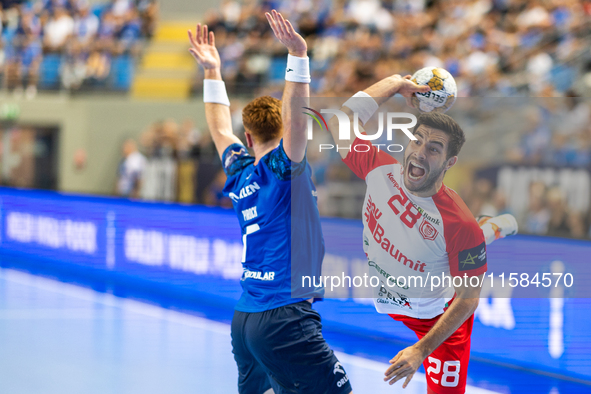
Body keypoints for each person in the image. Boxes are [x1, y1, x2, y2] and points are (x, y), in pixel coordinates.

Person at [188, 10, 353, 394]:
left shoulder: (240, 172)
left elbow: (217, 127)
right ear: (280, 131)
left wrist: (213, 71)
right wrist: (298, 56)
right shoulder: (283, 170)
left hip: (245, 318)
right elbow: (298, 124)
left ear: (248, 137)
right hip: (284, 315)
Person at [324, 80, 517, 393]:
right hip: (392, 298)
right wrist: (396, 83)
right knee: (454, 243)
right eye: (417, 141)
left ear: (449, 162)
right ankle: (488, 229)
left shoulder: (458, 224)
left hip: (436, 315)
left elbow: (468, 300)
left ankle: (487, 231)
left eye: (434, 148)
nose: (420, 152)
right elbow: (339, 121)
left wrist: (420, 351)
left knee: (466, 239)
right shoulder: (379, 169)